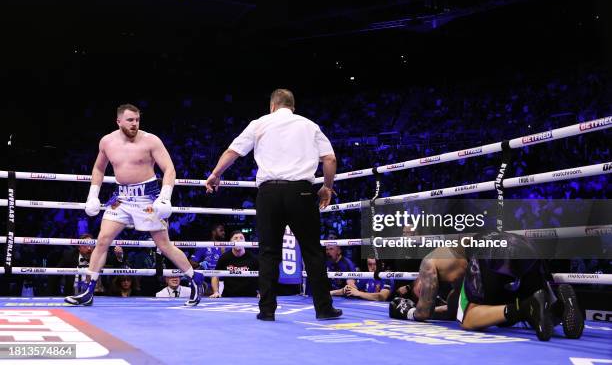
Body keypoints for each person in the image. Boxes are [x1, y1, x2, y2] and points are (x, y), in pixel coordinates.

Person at [205, 89, 342, 321]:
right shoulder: (309, 125)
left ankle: (267, 310)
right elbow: (330, 159)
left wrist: (215, 174)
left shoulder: (260, 123)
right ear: (292, 107)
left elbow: (233, 151)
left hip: (268, 193)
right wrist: (327, 187)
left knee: (268, 253)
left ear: (272, 106)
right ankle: (324, 308)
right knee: (312, 250)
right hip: (300, 191)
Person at [64, 104, 203, 307]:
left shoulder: (151, 141)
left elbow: (169, 169)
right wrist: (92, 195)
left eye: (137, 120)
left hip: (147, 198)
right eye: (130, 120)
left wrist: (165, 197)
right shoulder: (107, 142)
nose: (135, 124)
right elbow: (98, 168)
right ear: (119, 121)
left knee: (164, 245)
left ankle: (194, 278)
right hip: (120, 198)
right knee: (102, 240)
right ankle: (88, 291)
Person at [389, 232, 584, 341]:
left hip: (489, 252)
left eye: (419, 292)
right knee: (534, 308)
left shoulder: (428, 262)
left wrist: (408, 311)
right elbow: (448, 311)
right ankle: (561, 305)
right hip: (523, 245)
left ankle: (525, 307)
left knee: (469, 319)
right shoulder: (456, 282)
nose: (422, 295)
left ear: (417, 281)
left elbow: (424, 312)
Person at [210, 231, 259, 298]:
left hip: (250, 296)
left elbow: (263, 276)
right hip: (228, 297)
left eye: (241, 238)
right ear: (230, 242)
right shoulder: (224, 257)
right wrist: (216, 292)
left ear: (245, 242)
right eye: (235, 238)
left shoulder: (253, 258)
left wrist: (261, 292)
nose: (238, 240)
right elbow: (215, 275)